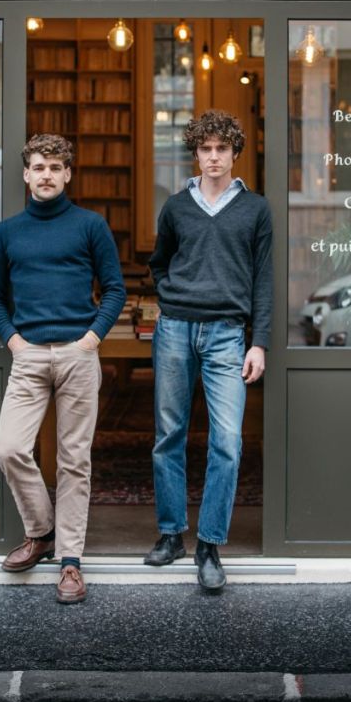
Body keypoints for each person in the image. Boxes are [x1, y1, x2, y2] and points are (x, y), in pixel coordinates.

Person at [0, 134, 126, 604]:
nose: (46, 174)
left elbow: (115, 290)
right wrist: (15, 342)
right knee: (10, 448)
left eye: (55, 167)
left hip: (78, 355)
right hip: (28, 357)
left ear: (68, 174)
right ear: (26, 174)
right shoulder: (7, 233)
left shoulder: (90, 226)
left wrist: (90, 340)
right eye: (38, 167)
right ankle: (41, 531)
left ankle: (70, 563)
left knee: (73, 461)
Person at [144, 109, 272, 591]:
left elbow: (264, 281)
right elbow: (159, 264)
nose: (213, 157)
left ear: (235, 153)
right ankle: (171, 534)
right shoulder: (176, 206)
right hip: (176, 329)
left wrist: (257, 342)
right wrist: (172, 298)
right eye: (205, 149)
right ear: (196, 154)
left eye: (222, 149)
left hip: (226, 334)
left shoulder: (256, 209)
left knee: (227, 442)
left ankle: (210, 545)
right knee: (168, 435)